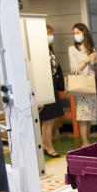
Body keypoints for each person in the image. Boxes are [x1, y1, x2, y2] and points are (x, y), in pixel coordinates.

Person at [68, 23, 97, 147]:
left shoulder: (92, 48)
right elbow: (74, 69)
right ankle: (85, 142)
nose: (76, 35)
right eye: (74, 33)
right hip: (81, 85)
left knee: (90, 115)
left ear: (84, 33)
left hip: (91, 84)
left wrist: (96, 61)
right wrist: (86, 60)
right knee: (82, 115)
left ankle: (88, 141)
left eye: (78, 33)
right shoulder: (72, 49)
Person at [39, 24, 65, 158]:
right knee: (48, 119)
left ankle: (45, 145)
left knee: (52, 118)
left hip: (52, 86)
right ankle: (48, 147)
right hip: (44, 87)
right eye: (48, 34)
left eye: (51, 34)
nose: (50, 37)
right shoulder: (39, 51)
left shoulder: (49, 50)